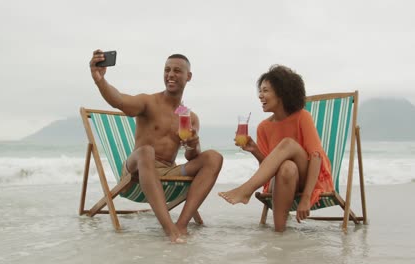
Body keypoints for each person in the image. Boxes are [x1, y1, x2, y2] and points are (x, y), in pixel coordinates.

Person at [89, 50, 223, 243]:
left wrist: (194, 145)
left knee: (214, 157)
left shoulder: (189, 117)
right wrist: (99, 79)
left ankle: (181, 225)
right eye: (167, 70)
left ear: (189, 76)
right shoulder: (148, 102)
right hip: (136, 171)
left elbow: (191, 157)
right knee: (146, 151)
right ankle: (170, 230)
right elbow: (118, 100)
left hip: (168, 172)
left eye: (177, 70)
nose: (170, 74)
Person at [218, 65, 334, 232]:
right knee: (286, 167)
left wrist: (306, 197)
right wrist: (256, 150)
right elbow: (268, 170)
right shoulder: (263, 127)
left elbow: (316, 156)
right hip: (283, 179)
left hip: (307, 179)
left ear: (282, 93)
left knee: (288, 144)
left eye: (265, 91)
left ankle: (246, 190)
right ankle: (279, 233)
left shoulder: (302, 117)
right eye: (260, 91)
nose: (260, 96)